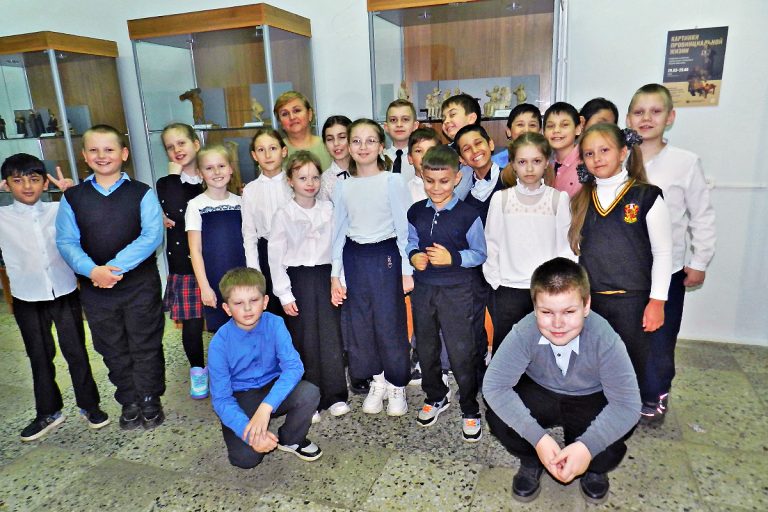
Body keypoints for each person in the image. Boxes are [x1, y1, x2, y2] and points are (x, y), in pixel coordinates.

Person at [484, 257, 641, 504]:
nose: (557, 324)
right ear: (535, 307)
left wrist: (587, 447)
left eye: (569, 312)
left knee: (612, 440)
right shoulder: (524, 330)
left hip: (588, 396)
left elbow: (628, 405)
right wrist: (538, 439)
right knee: (498, 416)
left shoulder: (604, 337)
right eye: (546, 312)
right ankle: (532, 460)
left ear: (586, 305)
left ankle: (594, 468)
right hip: (540, 390)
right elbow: (494, 385)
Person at [56, 124, 166, 430]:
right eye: (94, 150)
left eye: (109, 149)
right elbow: (66, 241)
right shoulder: (73, 197)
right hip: (96, 289)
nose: (102, 155)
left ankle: (149, 398)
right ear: (84, 156)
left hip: (140, 286)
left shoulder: (141, 193)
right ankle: (128, 399)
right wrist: (93, 271)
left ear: (124, 153)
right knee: (111, 346)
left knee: (145, 342)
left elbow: (151, 236)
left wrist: (112, 269)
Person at [0, 154, 107, 441]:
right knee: (39, 355)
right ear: (6, 185)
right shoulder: (2, 217)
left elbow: (93, 214)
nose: (27, 187)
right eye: (17, 180)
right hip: (26, 296)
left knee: (76, 351)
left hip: (64, 291)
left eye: (34, 179)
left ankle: (90, 406)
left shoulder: (59, 209)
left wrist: (73, 193)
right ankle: (48, 412)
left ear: (45, 182)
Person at [626, 83, 716, 423]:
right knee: (627, 335)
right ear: (628, 119)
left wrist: (700, 261)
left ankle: (655, 393)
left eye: (656, 111)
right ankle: (624, 392)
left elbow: (701, 215)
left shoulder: (685, 163)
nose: (646, 118)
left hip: (669, 271)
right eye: (639, 112)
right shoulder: (618, 159)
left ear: (670, 117)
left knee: (660, 338)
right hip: (625, 271)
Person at [568, 123, 672, 412]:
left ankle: (625, 413)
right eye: (589, 153)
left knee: (629, 362)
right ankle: (597, 411)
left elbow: (663, 253)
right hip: (593, 300)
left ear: (623, 152)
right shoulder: (581, 200)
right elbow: (575, 254)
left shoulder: (647, 196)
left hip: (632, 301)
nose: (597, 158)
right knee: (594, 360)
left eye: (604, 150)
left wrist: (657, 302)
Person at [331, 118, 413, 417]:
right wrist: (335, 275)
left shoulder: (392, 181)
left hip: (386, 255)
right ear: (348, 147)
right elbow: (338, 231)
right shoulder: (343, 186)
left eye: (370, 141)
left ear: (381, 146)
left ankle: (397, 384)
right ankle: (378, 381)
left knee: (389, 322)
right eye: (356, 141)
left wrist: (407, 269)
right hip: (354, 257)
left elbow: (404, 228)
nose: (363, 147)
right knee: (361, 324)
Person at [406, 144, 487, 441]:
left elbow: (480, 253)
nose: (436, 187)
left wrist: (453, 258)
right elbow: (410, 241)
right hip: (424, 289)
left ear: (456, 178)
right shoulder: (416, 211)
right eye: (429, 181)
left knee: (461, 351)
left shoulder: (468, 214)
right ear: (421, 176)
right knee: (426, 347)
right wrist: (414, 255)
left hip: (458, 291)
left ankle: (469, 408)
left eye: (443, 181)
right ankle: (436, 395)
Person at [208, 267, 322, 469]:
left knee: (309, 392)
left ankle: (291, 438)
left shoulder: (275, 323)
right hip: (241, 396)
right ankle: (251, 427)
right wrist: (249, 434)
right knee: (246, 459)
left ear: (265, 302)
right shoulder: (219, 343)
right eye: (238, 303)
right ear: (227, 308)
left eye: (254, 300)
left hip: (272, 387)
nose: (247, 308)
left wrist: (266, 407)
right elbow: (221, 399)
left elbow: (294, 367)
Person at [268, 151, 349, 422]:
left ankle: (336, 395)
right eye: (303, 178)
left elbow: (339, 248)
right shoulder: (283, 214)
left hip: (326, 276)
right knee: (303, 339)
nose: (310, 183)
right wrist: (284, 294)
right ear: (290, 180)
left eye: (315, 177)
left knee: (330, 336)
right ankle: (310, 398)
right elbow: (275, 257)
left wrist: (339, 279)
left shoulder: (329, 210)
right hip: (298, 279)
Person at [484, 133, 573, 356]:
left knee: (545, 352)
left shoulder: (558, 199)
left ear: (547, 163)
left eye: (536, 161)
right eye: (522, 162)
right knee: (508, 352)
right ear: (513, 164)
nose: (530, 168)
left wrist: (559, 286)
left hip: (546, 290)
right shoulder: (501, 199)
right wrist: (496, 282)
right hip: (508, 289)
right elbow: (491, 244)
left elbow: (566, 249)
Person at [156, 123, 207, 399]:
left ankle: (228, 367)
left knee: (224, 316)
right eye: (170, 146)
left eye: (182, 143)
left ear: (196, 144)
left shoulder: (210, 174)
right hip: (184, 264)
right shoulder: (167, 183)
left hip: (213, 257)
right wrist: (174, 175)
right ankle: (198, 370)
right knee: (192, 322)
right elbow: (177, 210)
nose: (176, 150)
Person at [187, 144, 247, 333]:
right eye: (209, 168)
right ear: (200, 173)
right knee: (223, 332)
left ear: (230, 168)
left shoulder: (241, 202)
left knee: (247, 327)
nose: (216, 172)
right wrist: (204, 287)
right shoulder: (196, 205)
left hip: (242, 278)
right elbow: (195, 250)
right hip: (214, 279)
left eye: (221, 166)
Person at [241, 128, 293, 318]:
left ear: (284, 151)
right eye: (261, 150)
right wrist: (254, 271)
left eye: (273, 148)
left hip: (294, 250)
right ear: (254, 156)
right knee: (272, 310)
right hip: (266, 252)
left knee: (296, 307)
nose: (268, 155)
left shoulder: (294, 183)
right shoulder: (250, 190)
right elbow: (249, 234)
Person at [454, 124, 505, 224]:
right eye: (466, 149)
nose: (474, 150)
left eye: (478, 143)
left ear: (490, 144)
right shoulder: (463, 194)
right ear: (462, 159)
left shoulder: (511, 180)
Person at [274, 90, 331, 171]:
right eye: (285, 114)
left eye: (297, 110)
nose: (292, 117)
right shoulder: (274, 151)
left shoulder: (329, 146)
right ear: (280, 122)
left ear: (310, 114)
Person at [543, 102, 584, 198]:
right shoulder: (544, 164)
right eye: (550, 126)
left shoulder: (586, 163)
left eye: (564, 125)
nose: (556, 130)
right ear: (543, 132)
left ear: (578, 129)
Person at [494, 103, 543, 168]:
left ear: (540, 132)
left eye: (532, 125)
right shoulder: (495, 163)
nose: (526, 130)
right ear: (508, 131)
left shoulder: (548, 161)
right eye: (520, 125)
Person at [383, 99, 419, 182]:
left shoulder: (422, 158)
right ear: (386, 127)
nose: (399, 125)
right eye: (393, 120)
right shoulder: (379, 159)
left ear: (415, 126)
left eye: (405, 119)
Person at [318, 115, 352, 202]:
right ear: (325, 145)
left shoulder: (365, 170)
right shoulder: (324, 181)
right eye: (330, 139)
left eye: (342, 137)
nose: (336, 143)